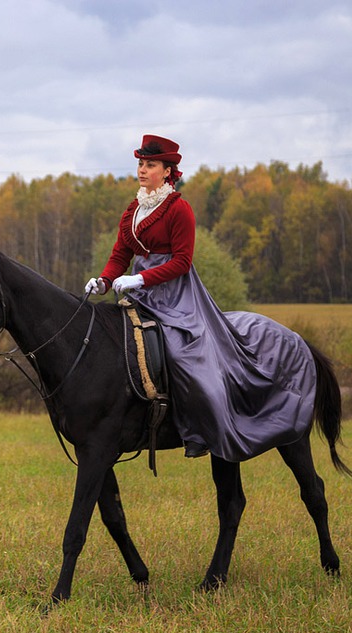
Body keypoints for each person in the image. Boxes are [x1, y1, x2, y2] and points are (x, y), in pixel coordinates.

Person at [85, 134, 317, 462]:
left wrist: (140, 277)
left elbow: (182, 261)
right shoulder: (133, 210)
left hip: (175, 296)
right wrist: (104, 281)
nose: (142, 170)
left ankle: (200, 431)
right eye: (140, 163)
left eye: (150, 164)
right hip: (139, 294)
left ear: (167, 171)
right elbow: (120, 253)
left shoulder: (179, 209)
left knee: (182, 356)